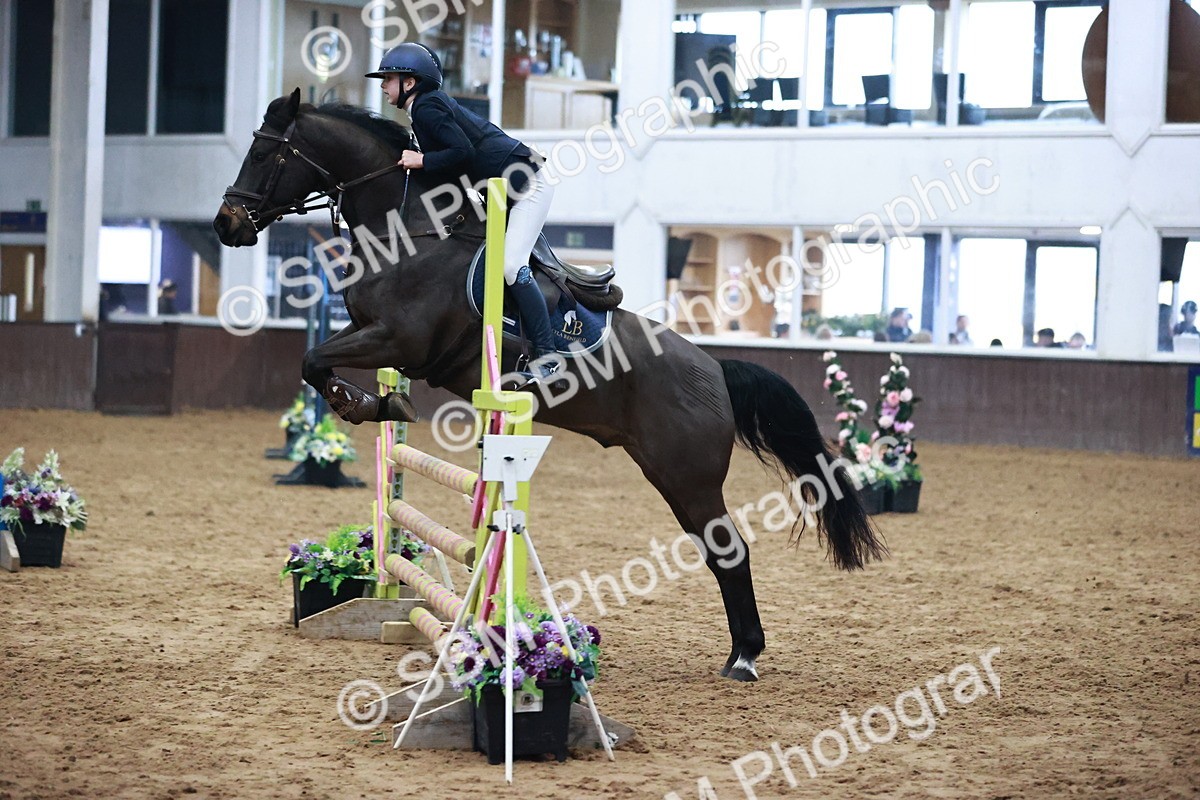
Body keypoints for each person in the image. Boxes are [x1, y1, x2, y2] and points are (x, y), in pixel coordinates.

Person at [366, 43, 559, 384]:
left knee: (512, 265)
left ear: (409, 83)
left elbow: (462, 152)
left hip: (528, 186)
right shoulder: (421, 111)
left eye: (388, 78)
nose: (383, 86)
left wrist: (421, 160)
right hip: (501, 194)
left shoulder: (427, 107)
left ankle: (547, 358)